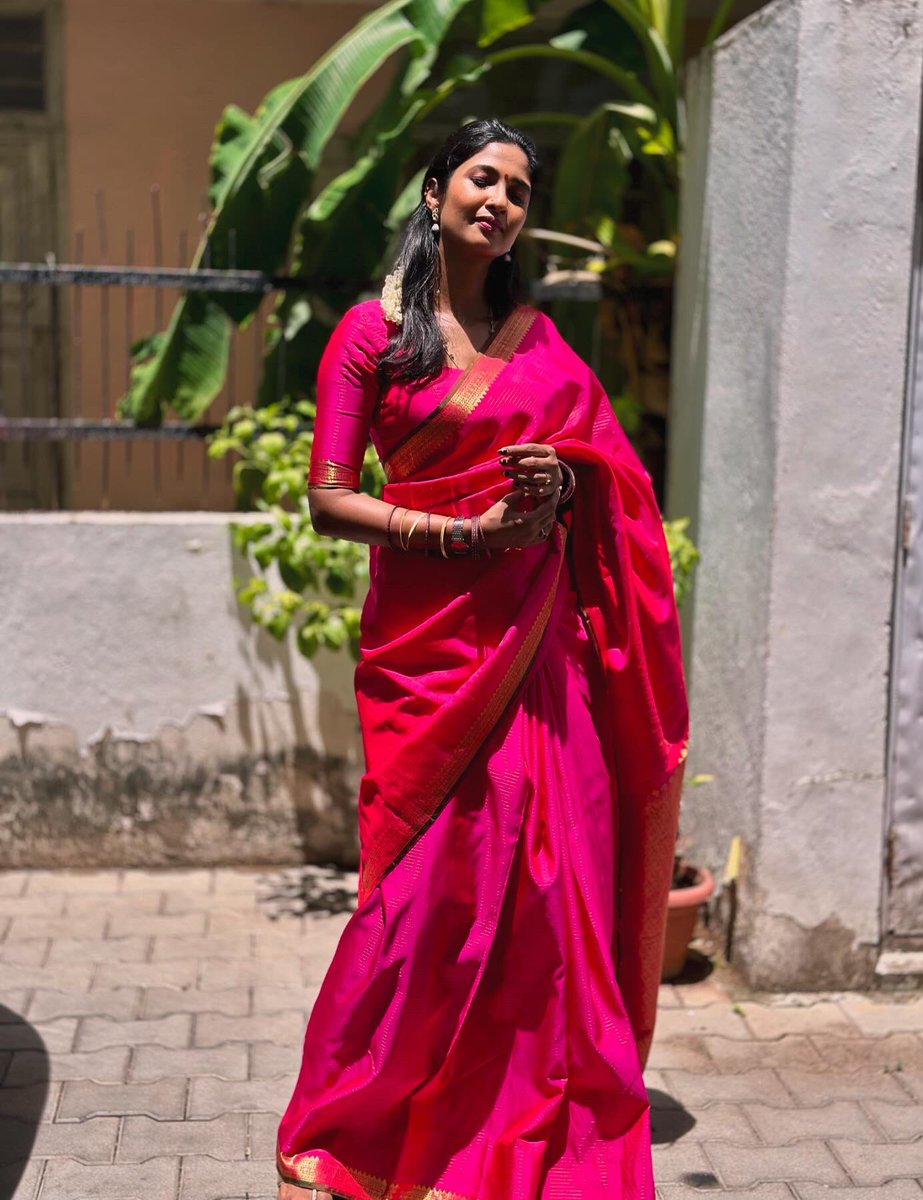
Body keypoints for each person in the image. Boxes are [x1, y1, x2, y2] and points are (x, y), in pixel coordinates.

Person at [276, 117, 688, 1200]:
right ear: (434, 194)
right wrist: (461, 533)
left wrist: (560, 485)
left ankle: (523, 1107)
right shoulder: (371, 337)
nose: (499, 198)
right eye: (480, 177)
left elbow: (607, 474)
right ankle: (363, 1112)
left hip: (535, 649)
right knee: (416, 901)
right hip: (429, 653)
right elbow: (326, 501)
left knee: (551, 891)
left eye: (518, 188)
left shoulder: (541, 346)